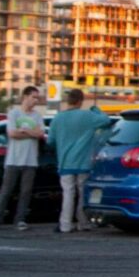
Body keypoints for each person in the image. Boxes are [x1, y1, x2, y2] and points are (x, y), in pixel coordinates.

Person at [47, 88, 111, 234]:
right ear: (80, 101)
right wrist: (95, 109)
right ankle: (83, 222)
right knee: (83, 194)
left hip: (65, 163)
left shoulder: (57, 118)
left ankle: (65, 225)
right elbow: (106, 120)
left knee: (68, 193)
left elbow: (50, 141)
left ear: (68, 100)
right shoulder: (87, 116)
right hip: (83, 163)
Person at [0, 85, 46, 231]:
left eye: (37, 98)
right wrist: (30, 132)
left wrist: (25, 130)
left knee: (25, 192)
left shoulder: (37, 116)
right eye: (33, 97)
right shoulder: (14, 113)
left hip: (30, 160)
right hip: (13, 160)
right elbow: (12, 133)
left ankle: (20, 219)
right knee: (6, 191)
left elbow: (40, 134)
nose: (36, 101)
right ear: (25, 97)